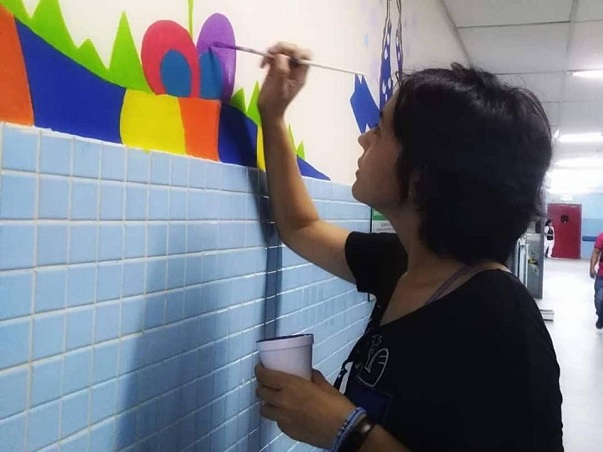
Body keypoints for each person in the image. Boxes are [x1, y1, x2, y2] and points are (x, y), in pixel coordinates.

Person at [254, 42, 563, 451]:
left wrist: (347, 429)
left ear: (424, 175)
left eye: (380, 130)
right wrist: (274, 116)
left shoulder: (504, 323)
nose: (364, 138)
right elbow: (301, 227)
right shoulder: (404, 263)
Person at [590, 232, 603, 329]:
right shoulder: (601, 237)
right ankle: (601, 316)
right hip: (601, 276)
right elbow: (596, 252)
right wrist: (592, 267)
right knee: (599, 300)